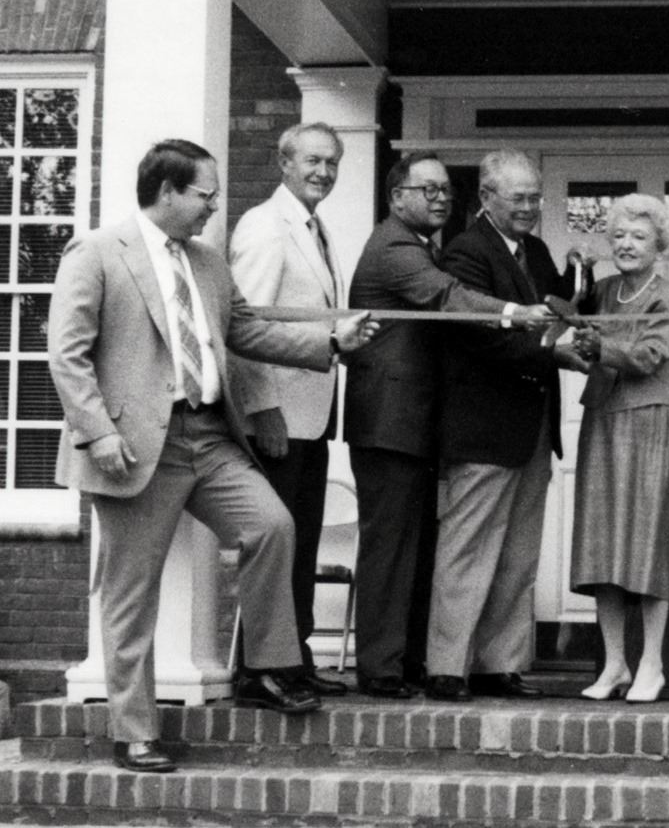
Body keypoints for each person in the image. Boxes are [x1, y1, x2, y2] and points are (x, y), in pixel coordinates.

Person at [47, 139, 376, 773]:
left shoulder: (208, 262)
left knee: (272, 526)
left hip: (209, 435)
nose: (214, 207)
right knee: (131, 593)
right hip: (136, 446)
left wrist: (329, 340)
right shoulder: (97, 252)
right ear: (167, 192)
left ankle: (269, 666)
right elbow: (68, 354)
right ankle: (135, 731)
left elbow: (245, 330)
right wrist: (97, 431)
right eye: (206, 194)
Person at [344, 151, 549, 700]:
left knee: (413, 547)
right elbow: (449, 298)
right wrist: (513, 314)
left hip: (417, 422)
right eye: (427, 189)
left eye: (443, 191)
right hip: (389, 420)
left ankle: (403, 662)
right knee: (390, 548)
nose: (439, 198)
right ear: (396, 197)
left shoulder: (425, 247)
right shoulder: (394, 248)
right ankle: (382, 669)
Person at [426, 148, 587, 702]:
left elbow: (551, 309)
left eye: (534, 198)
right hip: (484, 428)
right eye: (517, 198)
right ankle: (447, 667)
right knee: (467, 550)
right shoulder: (465, 254)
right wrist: (554, 354)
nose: (528, 207)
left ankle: (498, 665)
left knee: (519, 555)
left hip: (534, 428)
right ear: (486, 199)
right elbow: (484, 338)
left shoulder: (536, 250)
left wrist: (577, 282)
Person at [227, 122, 347, 697]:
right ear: (284, 163)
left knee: (300, 543)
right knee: (274, 546)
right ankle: (259, 668)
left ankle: (293, 657)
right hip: (279, 418)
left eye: (331, 163)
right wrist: (262, 409)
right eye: (312, 161)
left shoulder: (315, 228)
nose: (322, 172)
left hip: (312, 417)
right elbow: (242, 328)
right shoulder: (264, 227)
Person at [567, 193, 669, 705]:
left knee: (643, 548)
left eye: (638, 237)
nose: (626, 244)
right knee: (601, 549)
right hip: (601, 420)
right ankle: (614, 663)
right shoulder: (600, 290)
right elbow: (570, 329)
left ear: (658, 245)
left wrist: (598, 347)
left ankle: (652, 664)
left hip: (646, 424)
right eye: (618, 235)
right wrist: (573, 286)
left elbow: (649, 355)